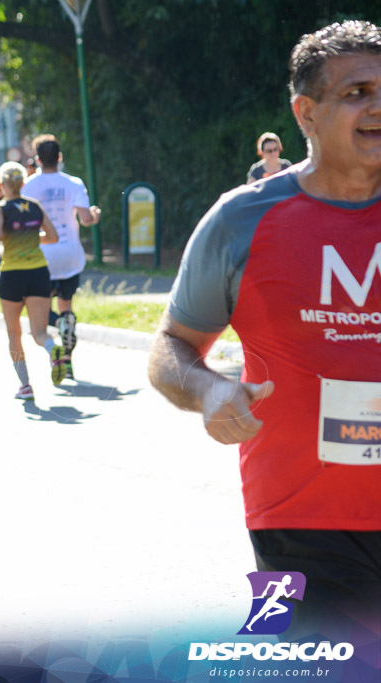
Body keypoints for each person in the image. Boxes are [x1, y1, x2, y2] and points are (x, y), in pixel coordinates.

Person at [148, 20, 381, 648]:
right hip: (301, 518)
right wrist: (209, 390)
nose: (378, 106)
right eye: (358, 91)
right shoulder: (241, 219)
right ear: (305, 112)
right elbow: (170, 347)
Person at [21, 134, 102, 381]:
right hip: (69, 256)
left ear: (37, 159)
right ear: (60, 157)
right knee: (66, 307)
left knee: (39, 310)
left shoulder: (28, 186)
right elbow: (86, 219)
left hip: (42, 258)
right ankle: (67, 360)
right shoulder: (74, 183)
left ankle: (57, 340)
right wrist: (95, 214)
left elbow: (24, 224)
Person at [0, 162, 65, 399]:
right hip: (38, 272)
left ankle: (26, 386)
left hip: (11, 275)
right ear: (22, 183)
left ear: (2, 183)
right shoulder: (35, 206)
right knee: (40, 332)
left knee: (14, 333)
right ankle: (53, 350)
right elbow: (52, 236)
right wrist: (29, 236)